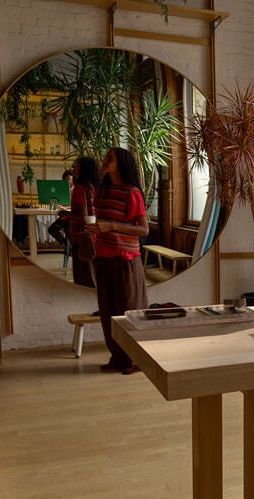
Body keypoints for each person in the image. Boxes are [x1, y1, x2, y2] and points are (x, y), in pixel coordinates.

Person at [87, 147, 148, 375]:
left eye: (110, 159)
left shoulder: (132, 193)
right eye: (105, 158)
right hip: (103, 258)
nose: (104, 162)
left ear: (121, 163)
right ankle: (118, 356)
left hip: (126, 260)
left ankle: (136, 360)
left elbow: (143, 228)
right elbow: (101, 221)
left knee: (130, 310)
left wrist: (111, 226)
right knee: (108, 312)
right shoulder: (101, 191)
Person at [65, 158, 99, 287]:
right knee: (92, 272)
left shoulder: (79, 189)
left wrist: (66, 215)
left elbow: (80, 216)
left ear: (84, 169)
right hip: (93, 234)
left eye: (77, 166)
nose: (74, 168)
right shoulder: (92, 187)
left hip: (80, 236)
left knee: (83, 276)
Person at [46, 169, 72, 249]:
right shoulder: (63, 190)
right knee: (52, 229)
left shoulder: (76, 190)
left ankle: (68, 247)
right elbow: (55, 206)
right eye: (66, 180)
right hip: (64, 216)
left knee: (54, 229)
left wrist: (64, 207)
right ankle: (67, 246)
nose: (68, 182)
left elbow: (75, 206)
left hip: (71, 217)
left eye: (69, 179)